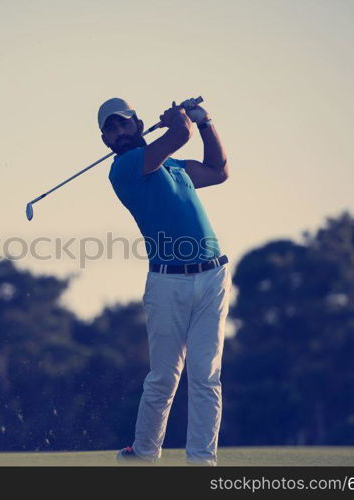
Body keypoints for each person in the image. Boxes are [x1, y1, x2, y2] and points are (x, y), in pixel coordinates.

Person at [99, 97, 231, 466]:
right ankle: (144, 453)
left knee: (206, 375)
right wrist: (181, 119)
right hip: (167, 283)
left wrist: (205, 122)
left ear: (138, 125)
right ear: (106, 142)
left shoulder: (174, 167)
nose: (119, 133)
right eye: (110, 129)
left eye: (124, 124)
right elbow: (178, 135)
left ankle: (202, 463)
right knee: (164, 378)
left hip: (214, 275)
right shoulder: (124, 168)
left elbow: (218, 171)